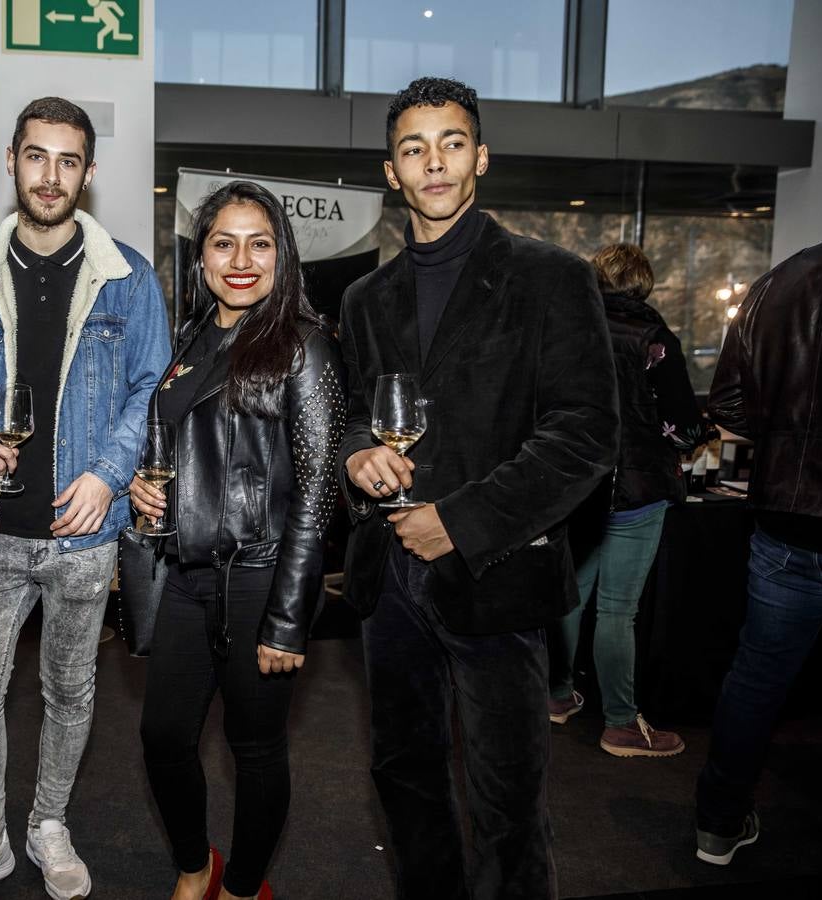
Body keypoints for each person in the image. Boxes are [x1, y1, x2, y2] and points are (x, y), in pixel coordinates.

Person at [337, 77, 618, 899]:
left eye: (451, 143)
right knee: (407, 781)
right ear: (392, 171)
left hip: (497, 576)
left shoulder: (552, 277)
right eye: (414, 148)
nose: (434, 163)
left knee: (507, 804)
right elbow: (356, 412)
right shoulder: (364, 298)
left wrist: (458, 521)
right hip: (388, 584)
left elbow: (585, 436)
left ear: (480, 158)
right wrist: (358, 455)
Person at [0, 96, 171, 899]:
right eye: (37, 156)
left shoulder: (129, 278)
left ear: (88, 173)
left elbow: (148, 388)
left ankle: (48, 824)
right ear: (12, 162)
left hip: (85, 530)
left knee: (70, 690)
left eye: (68, 160)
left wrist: (105, 475)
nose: (51, 174)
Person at [130, 181, 346, 900]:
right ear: (202, 258)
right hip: (187, 577)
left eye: (260, 243)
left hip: (261, 578)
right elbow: (182, 449)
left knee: (255, 751)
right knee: (163, 739)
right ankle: (197, 863)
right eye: (224, 243)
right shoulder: (191, 338)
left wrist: (288, 619)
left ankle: (245, 887)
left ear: (282, 255)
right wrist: (147, 491)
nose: (241, 259)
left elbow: (318, 496)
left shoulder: (305, 346)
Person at [694, 225, 822, 866]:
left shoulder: (778, 282)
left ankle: (718, 825)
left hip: (787, 516)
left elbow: (727, 402)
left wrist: (784, 437)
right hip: (791, 517)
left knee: (756, 680)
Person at [548, 243, 705, 756]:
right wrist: (695, 438)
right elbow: (681, 427)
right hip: (639, 488)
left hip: (580, 485)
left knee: (571, 595)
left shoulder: (572, 331)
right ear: (644, 284)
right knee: (618, 610)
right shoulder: (656, 340)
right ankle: (619, 724)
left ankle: (556, 695)